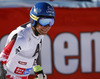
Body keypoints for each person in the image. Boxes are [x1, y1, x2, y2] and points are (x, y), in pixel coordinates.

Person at [0, 2, 55, 79]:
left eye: (50, 22)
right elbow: (1, 60)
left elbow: (34, 52)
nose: (47, 26)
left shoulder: (39, 32)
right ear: (34, 20)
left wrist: (38, 70)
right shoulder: (22, 38)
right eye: (43, 21)